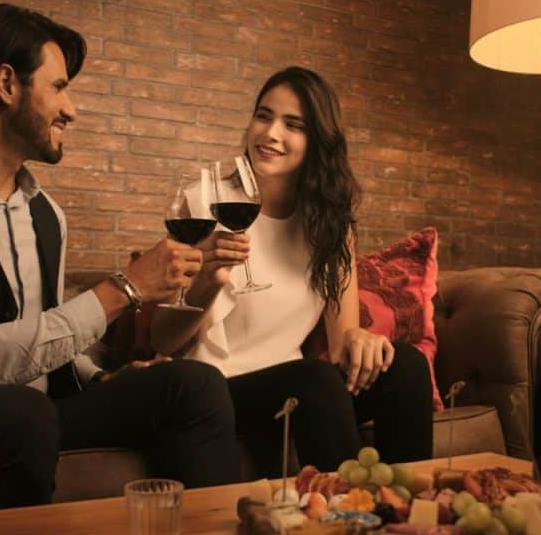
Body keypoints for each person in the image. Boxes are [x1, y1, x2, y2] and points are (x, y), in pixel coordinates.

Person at [0, 3, 239, 507]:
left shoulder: (45, 214)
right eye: (58, 87)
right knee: (21, 413)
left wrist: (98, 376)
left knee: (192, 384)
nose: (71, 109)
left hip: (32, 413)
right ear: (7, 84)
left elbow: (43, 336)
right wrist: (124, 290)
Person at [151, 67, 434, 472]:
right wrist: (209, 283)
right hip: (220, 390)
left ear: (317, 140)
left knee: (405, 365)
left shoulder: (330, 224)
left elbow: (342, 347)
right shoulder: (203, 203)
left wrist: (364, 343)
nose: (271, 133)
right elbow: (164, 340)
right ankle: (349, 516)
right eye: (264, 116)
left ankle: (410, 510)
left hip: (299, 387)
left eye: (293, 125)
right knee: (311, 380)